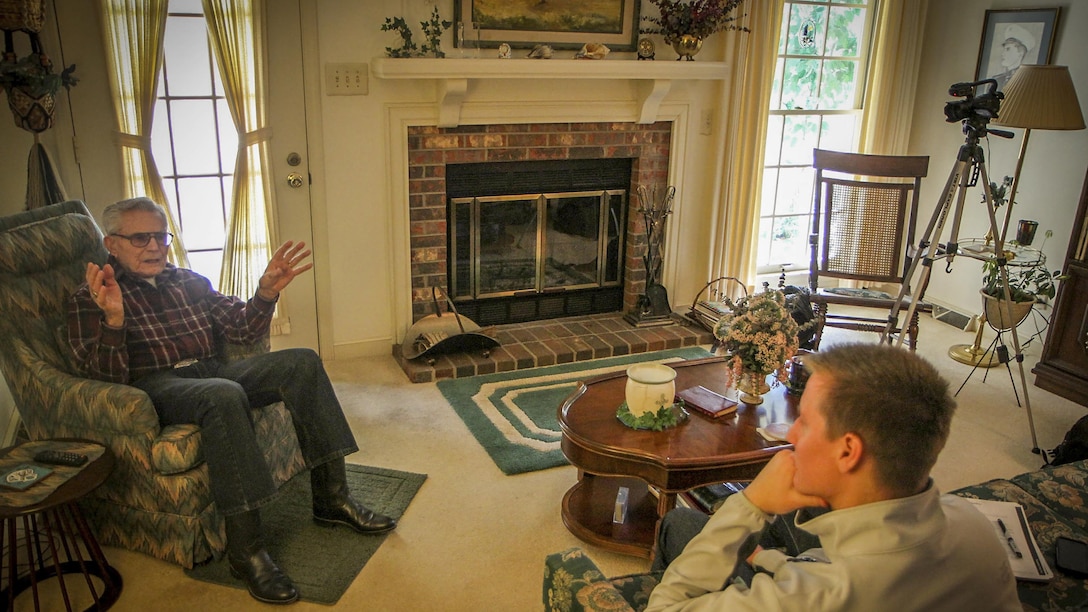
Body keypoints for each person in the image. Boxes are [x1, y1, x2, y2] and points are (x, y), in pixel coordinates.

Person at [67, 197, 396, 605]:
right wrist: (114, 321)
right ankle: (247, 551)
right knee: (222, 395)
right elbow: (103, 381)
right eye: (140, 238)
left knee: (303, 362)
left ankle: (332, 498)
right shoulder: (92, 296)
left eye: (160, 236)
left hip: (211, 369)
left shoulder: (189, 280)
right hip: (155, 386)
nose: (154, 247)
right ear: (111, 244)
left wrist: (264, 293)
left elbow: (242, 330)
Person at [646, 343, 1021, 611]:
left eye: (804, 422)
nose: (791, 436)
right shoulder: (973, 525)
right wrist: (775, 562)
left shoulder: (813, 599)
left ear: (847, 451)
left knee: (678, 524)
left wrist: (751, 504)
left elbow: (662, 606)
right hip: (843, 564)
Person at [989, 24, 1035, 91]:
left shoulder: (1027, 81)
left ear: (1020, 52)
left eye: (1008, 49)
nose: (1003, 54)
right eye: (1004, 49)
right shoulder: (996, 80)